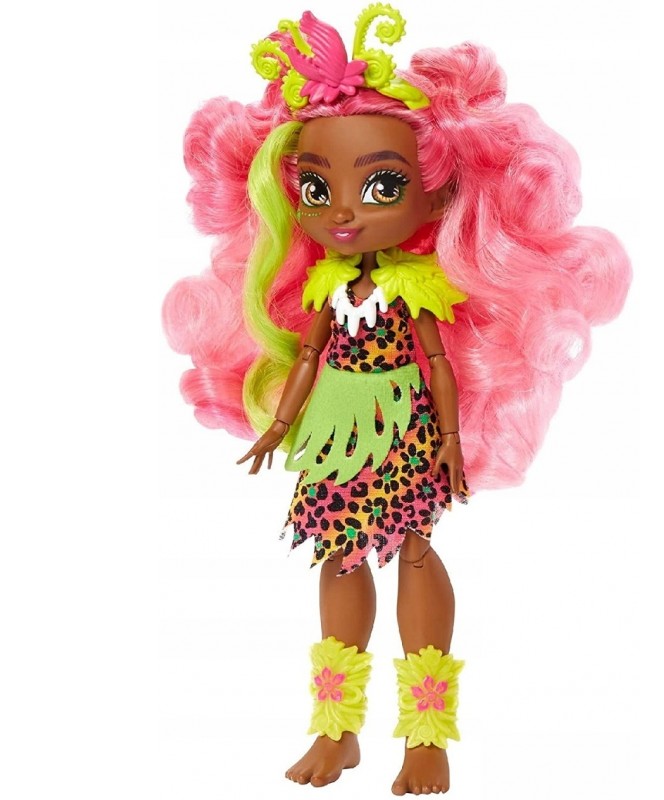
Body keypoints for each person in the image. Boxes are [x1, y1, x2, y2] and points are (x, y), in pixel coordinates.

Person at [163, 6, 631, 795]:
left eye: (381, 184)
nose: (343, 211)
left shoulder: (415, 288)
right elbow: (307, 357)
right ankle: (336, 728)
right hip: (335, 430)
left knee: (413, 547)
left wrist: (450, 440)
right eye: (317, 187)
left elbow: (440, 367)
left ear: (439, 196)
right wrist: (279, 423)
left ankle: (426, 735)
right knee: (336, 555)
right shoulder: (323, 284)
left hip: (402, 428)